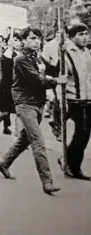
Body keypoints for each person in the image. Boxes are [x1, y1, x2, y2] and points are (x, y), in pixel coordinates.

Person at [0, 27, 67, 195]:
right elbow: (36, 80)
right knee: (37, 141)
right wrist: (56, 81)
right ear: (24, 41)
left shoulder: (38, 57)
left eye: (38, 39)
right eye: (32, 38)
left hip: (38, 102)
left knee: (24, 139)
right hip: (25, 103)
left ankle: (3, 163)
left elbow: (53, 68)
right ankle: (47, 181)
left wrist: (62, 51)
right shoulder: (21, 59)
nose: (36, 42)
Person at [57, 23, 91, 180]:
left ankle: (67, 158)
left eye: (86, 34)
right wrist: (59, 101)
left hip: (87, 98)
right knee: (82, 133)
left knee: (83, 133)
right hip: (74, 100)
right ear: (72, 37)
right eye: (81, 34)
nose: (85, 37)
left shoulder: (87, 53)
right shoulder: (66, 53)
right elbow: (60, 78)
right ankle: (73, 165)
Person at [0, 33, 22, 136]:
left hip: (16, 86)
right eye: (12, 40)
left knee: (18, 112)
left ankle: (17, 135)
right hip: (6, 86)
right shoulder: (7, 53)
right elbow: (5, 62)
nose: (15, 42)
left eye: (16, 40)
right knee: (4, 112)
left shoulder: (17, 53)